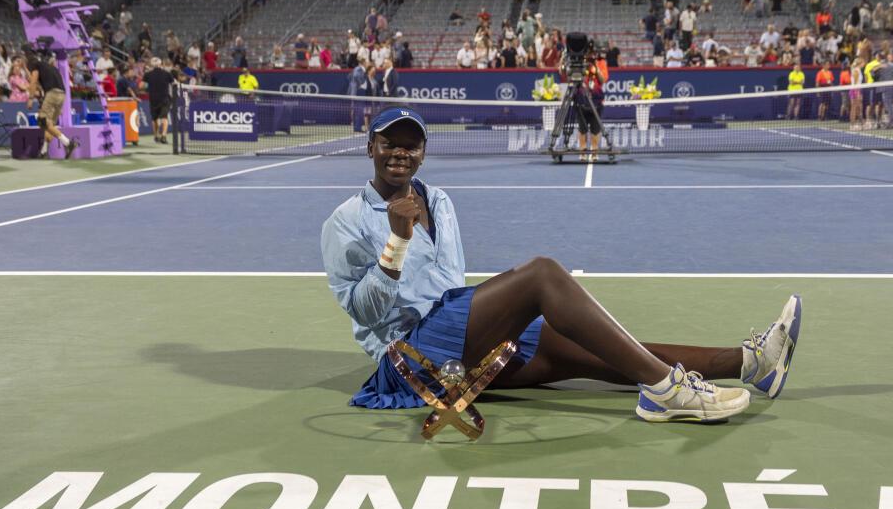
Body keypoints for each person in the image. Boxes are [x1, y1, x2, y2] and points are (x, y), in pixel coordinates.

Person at [320, 106, 803, 421]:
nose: (400, 152)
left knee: (595, 351)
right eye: (389, 142)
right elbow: (364, 314)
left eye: (410, 144)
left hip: (459, 333)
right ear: (370, 147)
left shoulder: (438, 200)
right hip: (410, 358)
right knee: (541, 275)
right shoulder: (345, 222)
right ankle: (666, 393)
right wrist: (396, 243)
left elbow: (448, 285)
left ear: (423, 153)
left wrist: (493, 319)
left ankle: (750, 363)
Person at [25, 50, 78, 159]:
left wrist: (30, 98)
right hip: (62, 95)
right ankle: (44, 151)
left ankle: (68, 143)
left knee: (42, 121)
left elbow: (33, 82)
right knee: (49, 125)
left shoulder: (35, 66)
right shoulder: (50, 68)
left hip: (52, 94)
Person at [142, 57, 175, 144]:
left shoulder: (148, 74)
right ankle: (163, 136)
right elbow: (174, 84)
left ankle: (156, 136)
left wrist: (148, 83)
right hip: (164, 99)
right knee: (164, 117)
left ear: (152, 65)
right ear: (161, 64)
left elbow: (141, 86)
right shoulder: (167, 73)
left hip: (153, 99)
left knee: (155, 119)